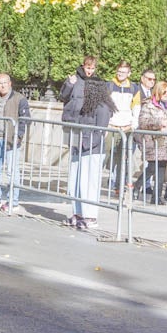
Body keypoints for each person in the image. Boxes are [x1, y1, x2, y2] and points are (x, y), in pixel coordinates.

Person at [64, 74, 113, 230]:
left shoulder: (103, 107)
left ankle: (91, 216)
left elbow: (100, 131)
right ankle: (78, 213)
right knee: (76, 182)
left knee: (89, 184)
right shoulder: (85, 105)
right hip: (80, 146)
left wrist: (86, 144)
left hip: (92, 149)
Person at [0, 73, 30, 214]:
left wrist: (19, 135)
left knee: (12, 171)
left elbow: (25, 118)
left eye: (5, 83)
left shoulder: (19, 98)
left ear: (10, 83)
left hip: (11, 139)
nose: (2, 86)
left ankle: (13, 201)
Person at [138, 80, 167, 204]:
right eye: (164, 92)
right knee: (152, 168)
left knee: (161, 168)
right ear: (158, 92)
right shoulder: (148, 104)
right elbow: (143, 123)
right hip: (153, 141)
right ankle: (135, 186)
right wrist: (158, 124)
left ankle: (157, 197)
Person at [106, 61, 138, 193]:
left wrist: (133, 124)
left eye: (123, 72)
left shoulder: (134, 88)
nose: (120, 74)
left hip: (126, 127)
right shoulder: (109, 85)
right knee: (104, 155)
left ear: (129, 73)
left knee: (123, 159)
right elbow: (105, 105)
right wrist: (107, 123)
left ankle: (119, 187)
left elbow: (136, 107)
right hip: (112, 126)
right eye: (119, 71)